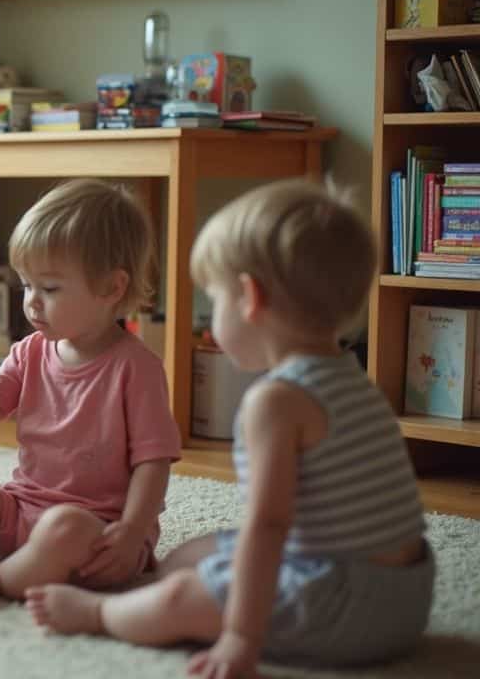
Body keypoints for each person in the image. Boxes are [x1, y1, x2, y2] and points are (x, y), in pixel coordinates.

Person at [28, 180, 433, 676]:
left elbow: (269, 526)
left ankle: (97, 613)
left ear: (249, 298)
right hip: (405, 593)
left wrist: (241, 636)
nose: (210, 319)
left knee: (182, 594)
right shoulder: (349, 377)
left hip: (343, 606)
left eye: (212, 300)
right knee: (187, 555)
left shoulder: (276, 402)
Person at [0, 178, 181, 607]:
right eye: (27, 285)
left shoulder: (138, 369)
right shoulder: (30, 352)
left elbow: (154, 464)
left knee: (64, 527)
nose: (32, 303)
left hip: (95, 532)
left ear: (112, 289)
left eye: (51, 288)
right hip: (21, 509)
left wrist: (133, 532)